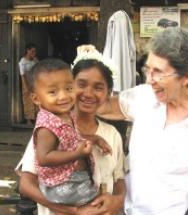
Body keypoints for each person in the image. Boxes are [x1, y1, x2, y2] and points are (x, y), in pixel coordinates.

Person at [97, 27, 188, 214]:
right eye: (148, 69)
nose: (150, 79)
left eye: (158, 72)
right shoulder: (145, 96)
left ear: (187, 76)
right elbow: (104, 107)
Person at [16, 47, 126, 215]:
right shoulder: (49, 129)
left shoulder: (112, 135)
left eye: (98, 87)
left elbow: (119, 178)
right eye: (81, 84)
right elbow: (26, 185)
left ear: (108, 93)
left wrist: (118, 201)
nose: (88, 93)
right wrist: (74, 210)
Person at [19, 43, 39, 124]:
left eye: (35, 51)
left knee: (36, 99)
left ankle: (36, 118)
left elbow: (40, 66)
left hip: (34, 80)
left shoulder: (34, 59)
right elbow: (22, 75)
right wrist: (26, 87)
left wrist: (36, 59)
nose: (34, 53)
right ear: (27, 51)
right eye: (32, 51)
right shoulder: (22, 61)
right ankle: (28, 119)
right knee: (27, 100)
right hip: (26, 81)